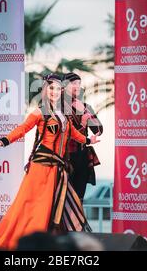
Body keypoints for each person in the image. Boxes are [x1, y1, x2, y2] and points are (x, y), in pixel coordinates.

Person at [0, 74, 100, 251]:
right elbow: (22, 129)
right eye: (51, 88)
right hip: (41, 167)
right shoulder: (40, 112)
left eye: (58, 89)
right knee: (33, 208)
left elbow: (73, 135)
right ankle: (21, 246)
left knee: (55, 210)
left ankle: (49, 246)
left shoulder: (64, 114)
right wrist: (2, 141)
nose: (54, 92)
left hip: (57, 169)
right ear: (46, 90)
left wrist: (89, 140)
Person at [63, 72, 103, 202]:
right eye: (74, 83)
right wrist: (83, 123)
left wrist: (85, 111)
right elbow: (66, 133)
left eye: (79, 83)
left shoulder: (85, 107)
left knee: (79, 197)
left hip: (82, 157)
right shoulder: (59, 108)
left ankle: (78, 222)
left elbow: (98, 130)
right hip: (65, 157)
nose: (77, 86)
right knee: (64, 197)